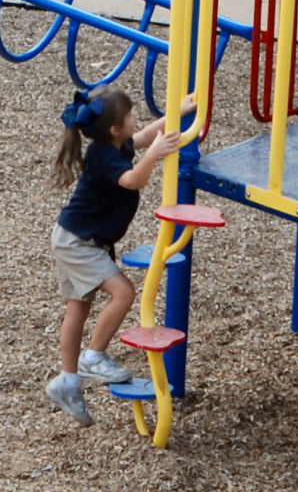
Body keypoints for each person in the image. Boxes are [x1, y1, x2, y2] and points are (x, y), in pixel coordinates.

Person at [46, 84, 196, 426]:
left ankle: (67, 381)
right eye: (129, 116)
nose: (134, 120)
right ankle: (93, 356)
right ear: (114, 129)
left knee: (78, 307)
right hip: (79, 242)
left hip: (75, 237)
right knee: (124, 292)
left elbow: (143, 136)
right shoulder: (103, 156)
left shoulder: (115, 141)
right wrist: (155, 154)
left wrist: (178, 112)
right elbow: (131, 180)